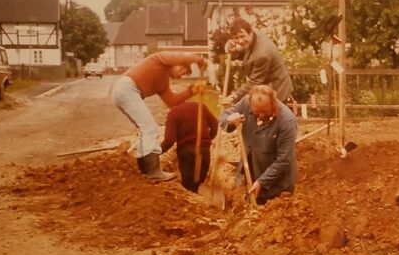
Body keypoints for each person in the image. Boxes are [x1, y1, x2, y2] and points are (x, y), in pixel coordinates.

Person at [112, 51, 207, 181]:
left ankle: (144, 168)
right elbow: (177, 56)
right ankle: (154, 172)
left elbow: (171, 101)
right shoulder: (159, 60)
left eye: (183, 73)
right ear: (177, 64)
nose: (181, 72)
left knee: (144, 129)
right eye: (181, 68)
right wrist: (199, 59)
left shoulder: (163, 82)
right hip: (127, 88)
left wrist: (192, 91)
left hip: (124, 91)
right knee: (150, 128)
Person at [219, 84, 297, 205]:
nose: (260, 115)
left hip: (278, 186)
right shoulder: (246, 103)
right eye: (256, 111)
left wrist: (262, 182)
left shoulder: (287, 121)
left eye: (265, 112)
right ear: (250, 104)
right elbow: (223, 117)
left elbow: (284, 160)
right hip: (253, 173)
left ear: (273, 103)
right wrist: (230, 120)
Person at [221, 18, 293, 105]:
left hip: (277, 89)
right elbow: (245, 50)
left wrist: (234, 96)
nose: (240, 41)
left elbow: (254, 82)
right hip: (264, 86)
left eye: (242, 36)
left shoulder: (262, 54)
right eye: (236, 38)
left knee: (266, 116)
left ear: (250, 33)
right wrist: (232, 49)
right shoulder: (253, 36)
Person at [160, 100, 218, 193]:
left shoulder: (173, 113)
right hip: (203, 150)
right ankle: (195, 198)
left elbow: (169, 140)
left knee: (188, 183)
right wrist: (207, 140)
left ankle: (192, 201)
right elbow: (215, 125)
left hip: (186, 152)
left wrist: (157, 152)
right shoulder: (201, 107)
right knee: (198, 181)